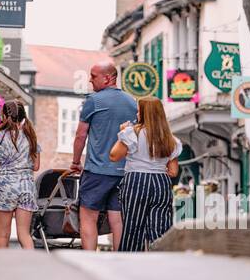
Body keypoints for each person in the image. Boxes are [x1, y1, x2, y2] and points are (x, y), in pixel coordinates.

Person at [69, 60, 138, 251]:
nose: (90, 81)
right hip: (124, 172)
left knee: (88, 217)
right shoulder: (132, 102)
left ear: (108, 78)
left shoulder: (93, 100)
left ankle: (90, 260)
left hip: (97, 171)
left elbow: (81, 135)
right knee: (118, 220)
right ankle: (119, 261)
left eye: (93, 76)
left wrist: (75, 162)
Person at [109, 97, 181, 252]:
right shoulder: (170, 139)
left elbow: (114, 156)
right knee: (160, 229)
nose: (137, 113)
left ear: (143, 113)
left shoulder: (132, 133)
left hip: (137, 181)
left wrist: (121, 133)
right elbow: (173, 171)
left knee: (133, 229)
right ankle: (162, 262)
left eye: (139, 110)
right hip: (161, 183)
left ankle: (130, 264)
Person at [0, 100, 40, 250]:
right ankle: (30, 265)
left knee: (3, 234)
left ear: (4, 116)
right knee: (24, 234)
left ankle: (2, 269)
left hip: (5, 188)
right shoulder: (31, 136)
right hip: (26, 188)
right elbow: (36, 166)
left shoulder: (0, 136)